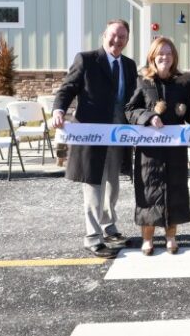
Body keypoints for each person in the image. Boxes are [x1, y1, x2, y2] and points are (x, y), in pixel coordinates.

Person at [52, 19, 138, 258]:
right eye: (113, 35)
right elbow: (67, 88)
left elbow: (133, 98)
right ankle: (92, 237)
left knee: (113, 183)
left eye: (122, 37)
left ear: (127, 40)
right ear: (104, 35)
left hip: (118, 135)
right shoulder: (86, 59)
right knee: (93, 184)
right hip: (91, 134)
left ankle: (109, 228)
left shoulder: (129, 66)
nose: (117, 40)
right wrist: (59, 109)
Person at [125, 36, 190, 255]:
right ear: (152, 56)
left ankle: (171, 237)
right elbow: (130, 109)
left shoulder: (181, 82)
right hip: (149, 151)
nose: (165, 58)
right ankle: (147, 238)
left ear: (174, 58)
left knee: (175, 189)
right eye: (161, 53)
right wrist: (148, 117)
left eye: (169, 54)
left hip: (175, 150)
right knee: (148, 191)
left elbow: (189, 107)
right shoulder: (143, 81)